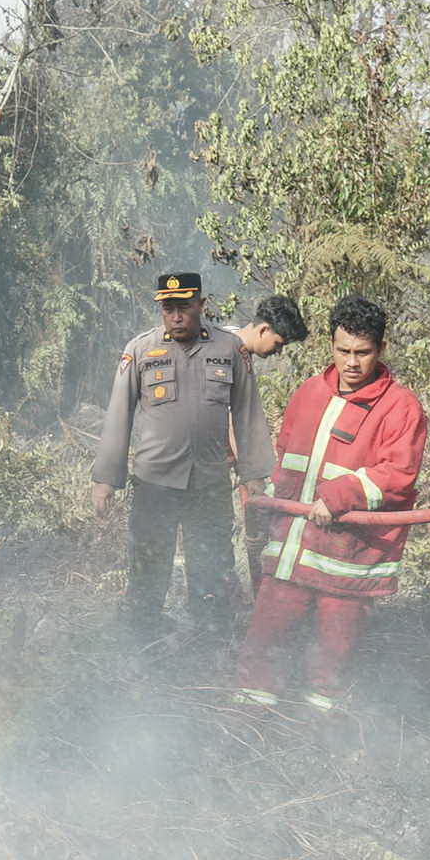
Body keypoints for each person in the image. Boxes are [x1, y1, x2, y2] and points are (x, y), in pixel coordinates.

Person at [235, 296, 427, 718]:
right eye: (343, 351)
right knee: (266, 634)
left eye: (363, 352)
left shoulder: (401, 407)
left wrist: (339, 497)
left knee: (334, 650)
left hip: (348, 559)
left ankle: (319, 726)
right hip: (292, 546)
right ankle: (250, 719)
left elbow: (398, 475)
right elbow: (286, 454)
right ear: (331, 345)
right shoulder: (309, 392)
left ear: (381, 348)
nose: (352, 362)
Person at [89, 270, 273, 637]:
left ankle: (209, 644)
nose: (175, 316)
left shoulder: (228, 349)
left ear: (201, 305)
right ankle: (142, 643)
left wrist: (254, 475)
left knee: (210, 568)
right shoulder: (139, 350)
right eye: (168, 308)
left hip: (208, 484)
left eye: (184, 307)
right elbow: (119, 415)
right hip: (154, 484)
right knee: (147, 567)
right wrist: (106, 478)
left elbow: (247, 411)